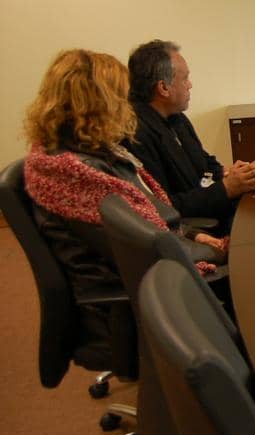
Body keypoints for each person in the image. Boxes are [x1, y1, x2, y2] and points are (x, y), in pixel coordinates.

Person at [23, 49, 224, 354]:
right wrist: (218, 249)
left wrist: (194, 234)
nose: (130, 105)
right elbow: (147, 244)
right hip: (142, 284)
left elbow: (150, 217)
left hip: (152, 262)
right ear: (99, 104)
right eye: (122, 95)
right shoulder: (77, 174)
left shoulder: (93, 153)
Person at [126, 39, 255, 234]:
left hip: (213, 208)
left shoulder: (176, 118)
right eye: (185, 78)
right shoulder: (136, 134)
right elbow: (164, 206)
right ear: (164, 88)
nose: (190, 85)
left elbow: (205, 163)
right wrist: (227, 188)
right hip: (197, 229)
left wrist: (229, 173)